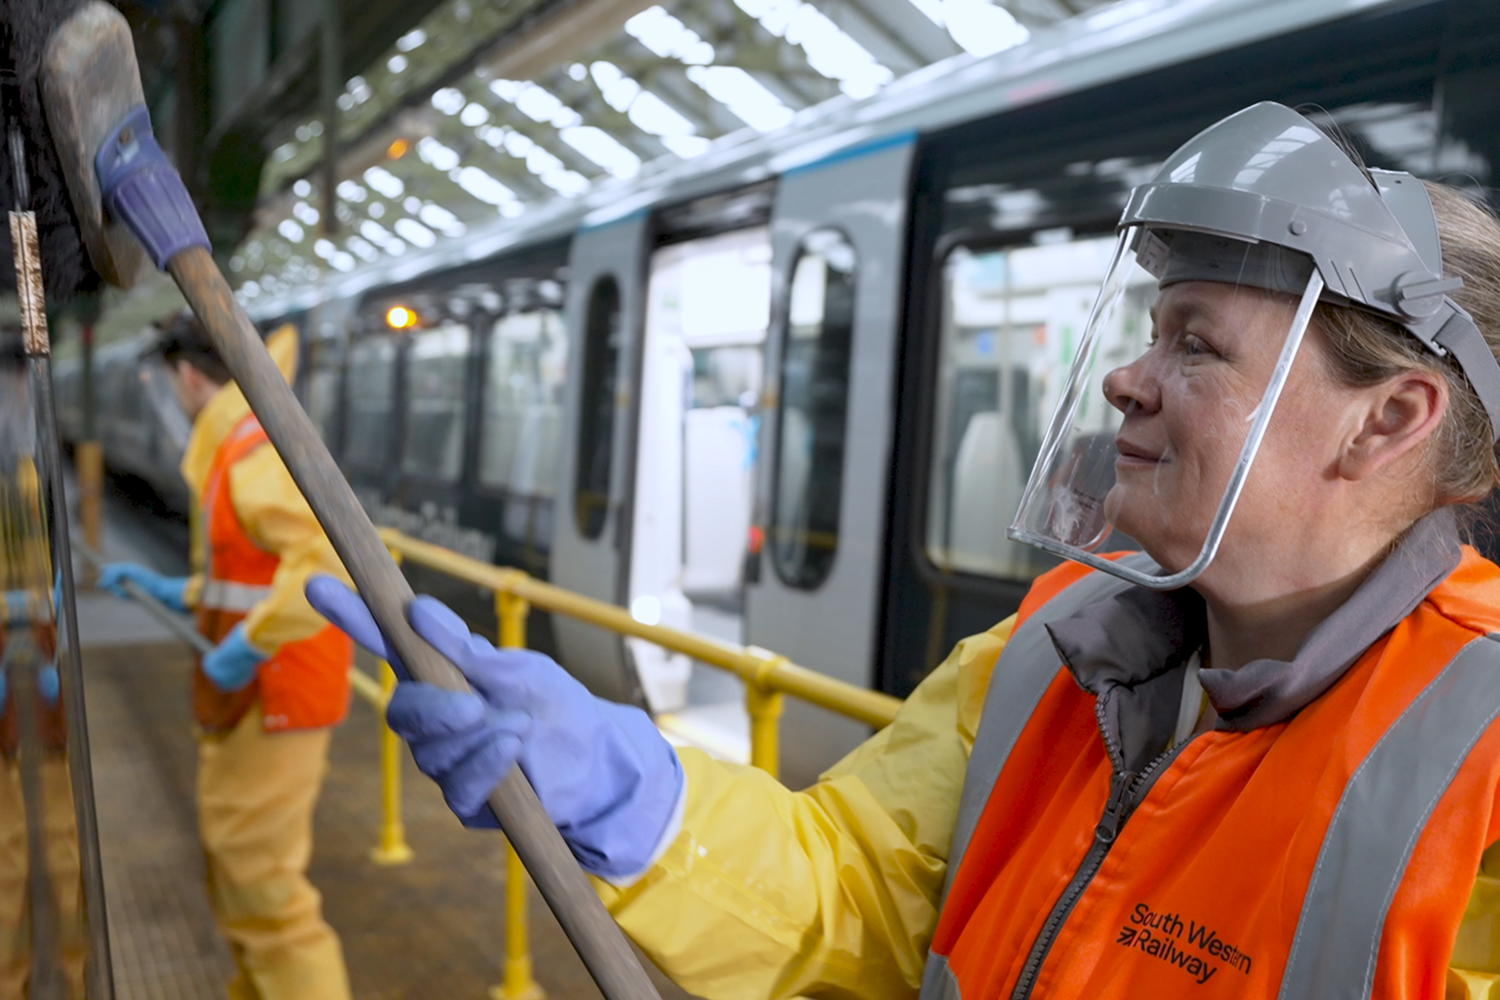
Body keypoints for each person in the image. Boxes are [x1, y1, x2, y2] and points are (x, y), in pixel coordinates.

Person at [310, 103, 1500, 999]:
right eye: (1148, 333)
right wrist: (637, 798)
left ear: (1386, 419)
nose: (1131, 380)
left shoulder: (1482, 761)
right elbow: (857, 896)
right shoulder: (1057, 648)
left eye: (1197, 347)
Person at [100, 316, 353, 1000]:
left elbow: (329, 564)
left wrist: (250, 644)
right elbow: (252, 574)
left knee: (264, 888)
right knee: (237, 871)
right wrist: (178, 592)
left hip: (278, 688)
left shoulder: (250, 451)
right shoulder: (242, 444)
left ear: (188, 375)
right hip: (257, 691)